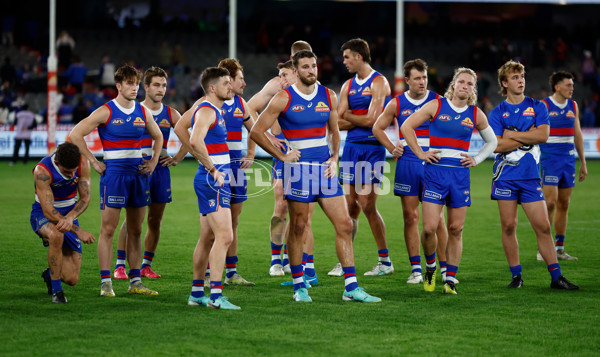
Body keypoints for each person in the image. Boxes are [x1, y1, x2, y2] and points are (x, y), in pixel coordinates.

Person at [250, 50, 381, 303]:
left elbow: (334, 131)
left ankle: (351, 288)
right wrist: (282, 154)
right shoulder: (282, 98)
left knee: (344, 224)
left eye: (314, 66)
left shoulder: (328, 96)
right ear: (296, 71)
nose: (312, 70)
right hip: (298, 171)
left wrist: (334, 158)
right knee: (298, 227)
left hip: (325, 170)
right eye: (306, 67)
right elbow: (256, 131)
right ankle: (300, 286)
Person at [69, 64, 164, 297]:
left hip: (138, 175)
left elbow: (159, 136)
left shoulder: (143, 112)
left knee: (135, 229)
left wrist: (152, 162)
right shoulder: (106, 111)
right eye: (129, 84)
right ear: (118, 85)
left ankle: (135, 282)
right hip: (114, 176)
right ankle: (106, 283)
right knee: (108, 230)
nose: (134, 88)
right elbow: (75, 134)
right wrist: (93, 161)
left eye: (136, 84)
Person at [401, 67, 497, 294]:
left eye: (470, 84)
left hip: (460, 176)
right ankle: (431, 268)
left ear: (474, 88)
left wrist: (477, 159)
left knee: (456, 228)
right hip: (434, 174)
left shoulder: (476, 114)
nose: (465, 86)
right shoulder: (436, 106)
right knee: (428, 229)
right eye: (462, 82)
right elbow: (406, 127)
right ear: (454, 84)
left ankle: (450, 279)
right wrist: (421, 153)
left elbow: (492, 142)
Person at [489, 60, 578, 290]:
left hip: (530, 177)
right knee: (509, 226)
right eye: (515, 77)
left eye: (522, 76)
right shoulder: (497, 112)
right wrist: (526, 134)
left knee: (543, 226)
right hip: (505, 176)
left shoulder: (538, 106)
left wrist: (512, 134)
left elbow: (543, 136)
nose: (521, 80)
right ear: (504, 83)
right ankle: (516, 276)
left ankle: (556, 277)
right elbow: (496, 146)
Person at [373, 59, 449, 284]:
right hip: (407, 160)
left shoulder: (438, 100)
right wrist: (391, 147)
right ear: (407, 81)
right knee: (410, 217)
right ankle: (417, 270)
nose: (422, 82)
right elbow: (377, 127)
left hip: (433, 160)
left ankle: (443, 269)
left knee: (438, 221)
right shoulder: (397, 104)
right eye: (417, 78)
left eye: (424, 77)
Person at [247, 41, 318, 282]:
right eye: (297, 57)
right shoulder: (278, 84)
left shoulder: (315, 87)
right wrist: (268, 136)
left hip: (307, 158)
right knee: (281, 207)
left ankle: (300, 263)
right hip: (284, 156)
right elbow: (250, 108)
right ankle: (276, 260)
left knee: (305, 215)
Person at [113, 66, 183, 280]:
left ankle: (146, 265)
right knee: (131, 220)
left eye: (163, 85)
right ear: (146, 87)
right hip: (138, 167)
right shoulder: (135, 109)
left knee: (155, 220)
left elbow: (189, 136)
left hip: (160, 169)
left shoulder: (171, 113)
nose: (161, 89)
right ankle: (120, 265)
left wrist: (177, 157)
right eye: (156, 85)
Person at [334, 38, 392, 277]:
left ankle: (385, 261)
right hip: (351, 149)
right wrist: (358, 117)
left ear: (359, 56)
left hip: (372, 148)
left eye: (347, 57)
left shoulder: (379, 82)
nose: (344, 61)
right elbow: (337, 121)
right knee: (349, 207)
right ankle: (345, 261)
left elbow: (373, 121)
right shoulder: (348, 85)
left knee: (367, 205)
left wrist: (350, 115)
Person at [186, 67, 241, 309]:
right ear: (212, 88)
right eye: (226, 83)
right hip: (212, 181)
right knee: (225, 236)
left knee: (207, 237)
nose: (231, 87)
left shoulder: (213, 110)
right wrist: (213, 170)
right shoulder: (208, 110)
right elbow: (195, 140)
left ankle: (197, 294)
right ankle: (216, 298)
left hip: (212, 179)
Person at [31, 142, 95, 303]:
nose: (72, 174)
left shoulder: (82, 163)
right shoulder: (42, 171)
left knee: (72, 279)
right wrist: (78, 231)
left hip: (69, 214)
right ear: (58, 163)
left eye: (74, 171)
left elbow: (85, 198)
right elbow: (48, 210)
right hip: (43, 214)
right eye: (67, 172)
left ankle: (49, 274)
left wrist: (70, 217)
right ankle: (57, 292)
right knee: (56, 235)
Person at [538, 71, 588, 261]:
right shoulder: (544, 105)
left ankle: (559, 248)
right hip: (549, 158)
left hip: (568, 160)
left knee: (564, 204)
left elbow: (577, 134)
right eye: (568, 85)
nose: (572, 88)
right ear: (557, 87)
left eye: (572, 85)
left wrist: (583, 161)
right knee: (549, 203)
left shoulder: (573, 105)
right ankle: (543, 248)